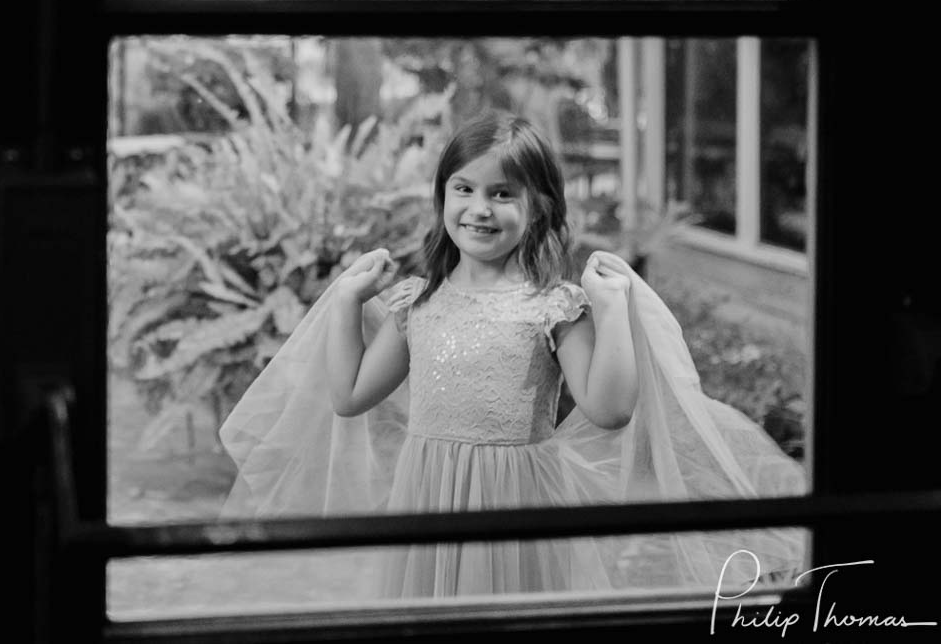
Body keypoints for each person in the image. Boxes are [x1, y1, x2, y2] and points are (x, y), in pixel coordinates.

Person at [219, 110, 804, 598]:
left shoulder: (552, 306)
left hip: (518, 503)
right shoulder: (415, 304)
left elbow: (611, 409)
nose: (479, 208)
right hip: (428, 498)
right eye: (464, 189)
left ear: (539, 208)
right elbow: (348, 395)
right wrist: (347, 300)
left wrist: (610, 307)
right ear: (442, 196)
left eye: (502, 194)